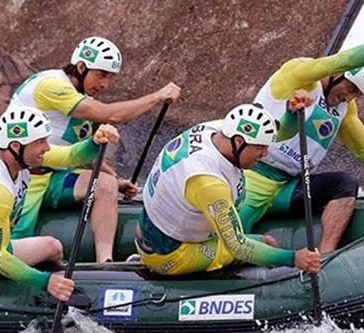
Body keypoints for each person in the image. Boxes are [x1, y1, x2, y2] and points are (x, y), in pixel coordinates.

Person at [239, 25, 364, 253]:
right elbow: (341, 60)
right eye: (350, 88)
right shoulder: (299, 75)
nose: (349, 97)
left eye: (357, 95)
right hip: (252, 176)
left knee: (344, 184)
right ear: (337, 75)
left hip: (290, 186)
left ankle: (324, 259)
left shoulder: (345, 108)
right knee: (233, 232)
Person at [7, 36, 181, 262]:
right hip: (26, 177)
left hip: (54, 176)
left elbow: (81, 152)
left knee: (105, 185)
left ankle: (105, 264)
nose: (105, 83)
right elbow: (110, 115)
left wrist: (115, 179)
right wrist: (157, 96)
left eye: (110, 77)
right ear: (80, 67)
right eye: (101, 74)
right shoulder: (53, 85)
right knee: (19, 237)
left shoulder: (81, 98)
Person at [0, 106, 119, 301]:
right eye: (40, 142)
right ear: (16, 146)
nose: (47, 147)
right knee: (30, 259)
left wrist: (95, 142)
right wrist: (45, 282)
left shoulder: (9, 152)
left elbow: (70, 156)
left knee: (52, 247)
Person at [134, 103, 321, 275]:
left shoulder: (219, 130)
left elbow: (276, 133)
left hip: (164, 230)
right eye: (260, 148)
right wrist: (293, 258)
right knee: (265, 245)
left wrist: (290, 114)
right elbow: (237, 246)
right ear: (239, 142)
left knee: (264, 243)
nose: (265, 154)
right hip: (171, 253)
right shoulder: (207, 182)